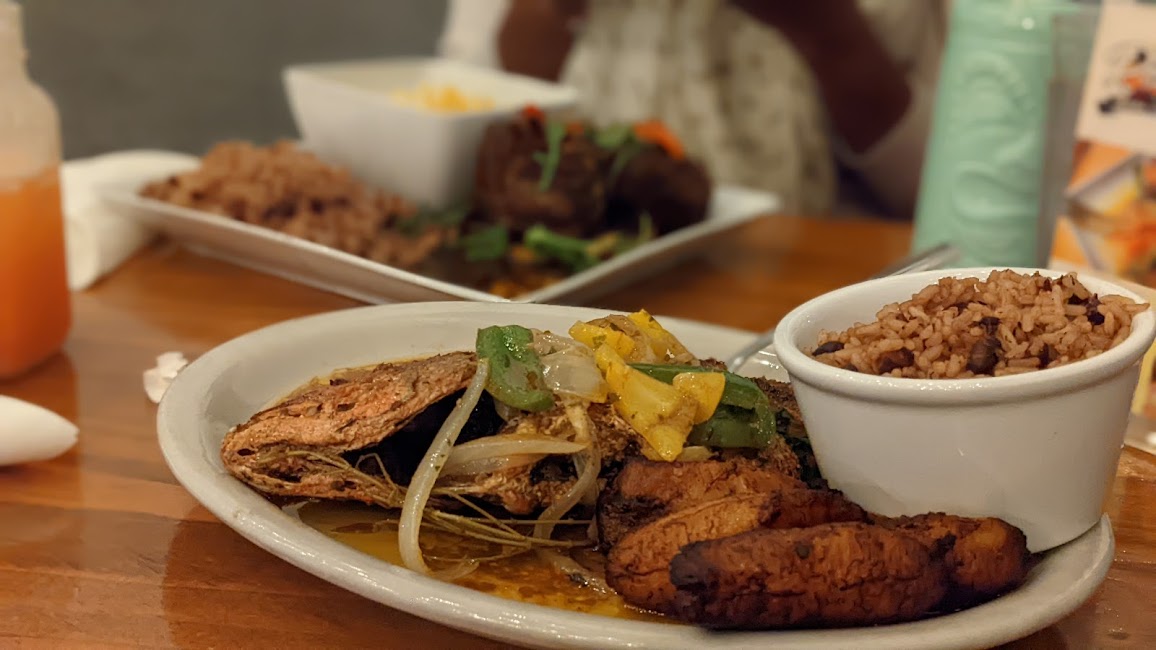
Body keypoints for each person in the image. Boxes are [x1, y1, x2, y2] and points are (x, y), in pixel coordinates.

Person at [438, 0, 948, 219]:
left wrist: (829, 32)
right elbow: (449, 144)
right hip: (561, 271)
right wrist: (550, 9)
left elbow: (947, 190)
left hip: (812, 286)